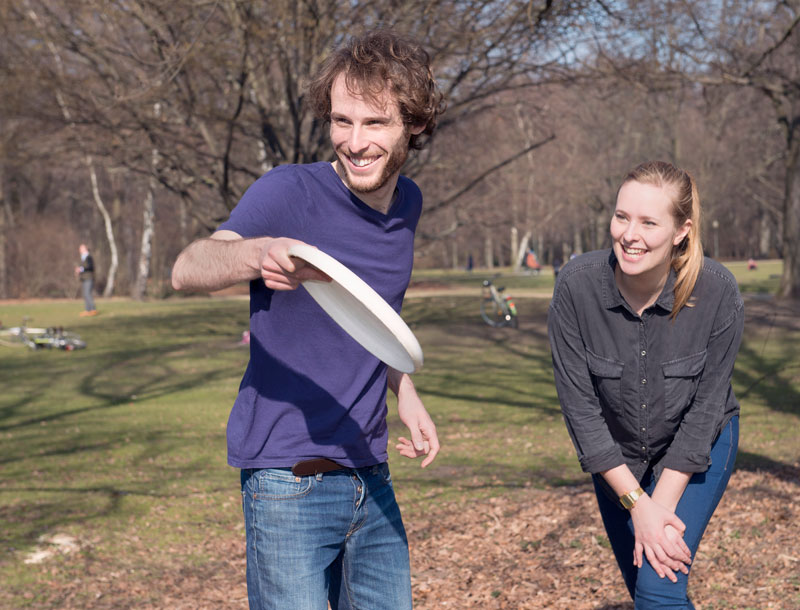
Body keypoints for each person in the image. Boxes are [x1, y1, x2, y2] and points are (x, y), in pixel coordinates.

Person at [171, 29, 444, 610]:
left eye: (375, 123)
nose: (354, 141)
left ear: (414, 125)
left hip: (371, 474)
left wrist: (406, 391)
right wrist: (256, 251)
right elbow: (186, 267)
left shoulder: (408, 204)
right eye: (341, 121)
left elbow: (373, 315)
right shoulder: (288, 190)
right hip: (287, 479)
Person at [547, 160, 744, 608]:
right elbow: (581, 412)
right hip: (617, 458)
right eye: (622, 217)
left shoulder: (717, 292)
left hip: (698, 448)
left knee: (657, 585)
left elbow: (706, 410)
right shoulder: (575, 289)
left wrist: (658, 510)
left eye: (649, 222)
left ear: (681, 231)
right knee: (648, 589)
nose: (629, 235)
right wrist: (638, 504)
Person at [74, 244, 97, 316]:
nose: (79, 250)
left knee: (87, 293)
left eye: (81, 248)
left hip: (89, 278)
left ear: (85, 249)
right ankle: (87, 310)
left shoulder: (88, 257)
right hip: (84, 278)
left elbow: (90, 267)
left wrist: (81, 269)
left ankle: (93, 310)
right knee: (85, 294)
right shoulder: (83, 257)